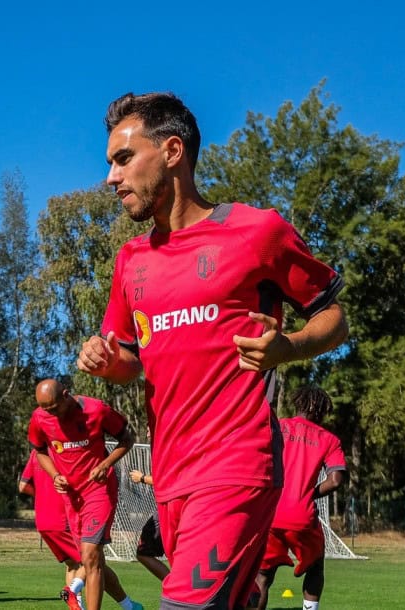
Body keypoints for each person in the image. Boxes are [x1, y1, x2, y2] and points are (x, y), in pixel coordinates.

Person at [80, 92, 347, 609]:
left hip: (238, 464)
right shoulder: (130, 261)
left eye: (123, 159)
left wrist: (286, 347)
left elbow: (334, 317)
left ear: (173, 151)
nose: (111, 178)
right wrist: (110, 363)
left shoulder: (255, 232)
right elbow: (132, 361)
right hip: (171, 475)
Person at [29, 379, 144, 610]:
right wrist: (54, 475)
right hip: (71, 497)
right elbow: (40, 451)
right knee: (90, 560)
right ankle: (131, 606)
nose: (50, 413)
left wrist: (106, 464)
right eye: (45, 409)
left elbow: (127, 439)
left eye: (53, 408)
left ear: (66, 395)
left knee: (90, 554)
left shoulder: (96, 410)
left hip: (98, 490)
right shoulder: (40, 418)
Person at [253, 387, 346, 610]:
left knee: (262, 577)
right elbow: (335, 480)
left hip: (270, 514)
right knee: (315, 568)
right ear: (319, 409)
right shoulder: (329, 439)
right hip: (301, 516)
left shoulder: (277, 425)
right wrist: (311, 493)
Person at [22, 450, 89, 610]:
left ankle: (77, 607)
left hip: (43, 521)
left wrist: (43, 496)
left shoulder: (35, 453)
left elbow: (23, 486)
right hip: (63, 519)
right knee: (93, 561)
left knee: (72, 565)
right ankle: (128, 605)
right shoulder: (65, 450)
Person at [125, 469, 169, 582]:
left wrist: (142, 478)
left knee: (143, 553)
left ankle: (176, 587)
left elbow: (170, 481)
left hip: (168, 509)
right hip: (188, 510)